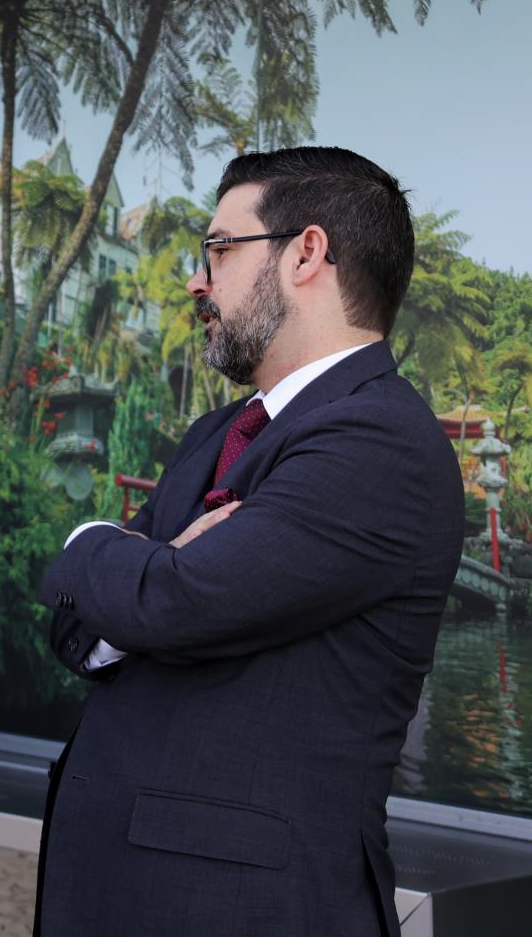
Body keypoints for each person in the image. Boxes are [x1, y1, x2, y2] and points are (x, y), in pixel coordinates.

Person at [34, 147, 464, 936]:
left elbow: (170, 600)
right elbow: (74, 622)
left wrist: (93, 539)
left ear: (306, 253)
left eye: (221, 250)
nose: (198, 280)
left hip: (242, 911)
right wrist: (141, 580)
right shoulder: (215, 434)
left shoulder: (381, 442)